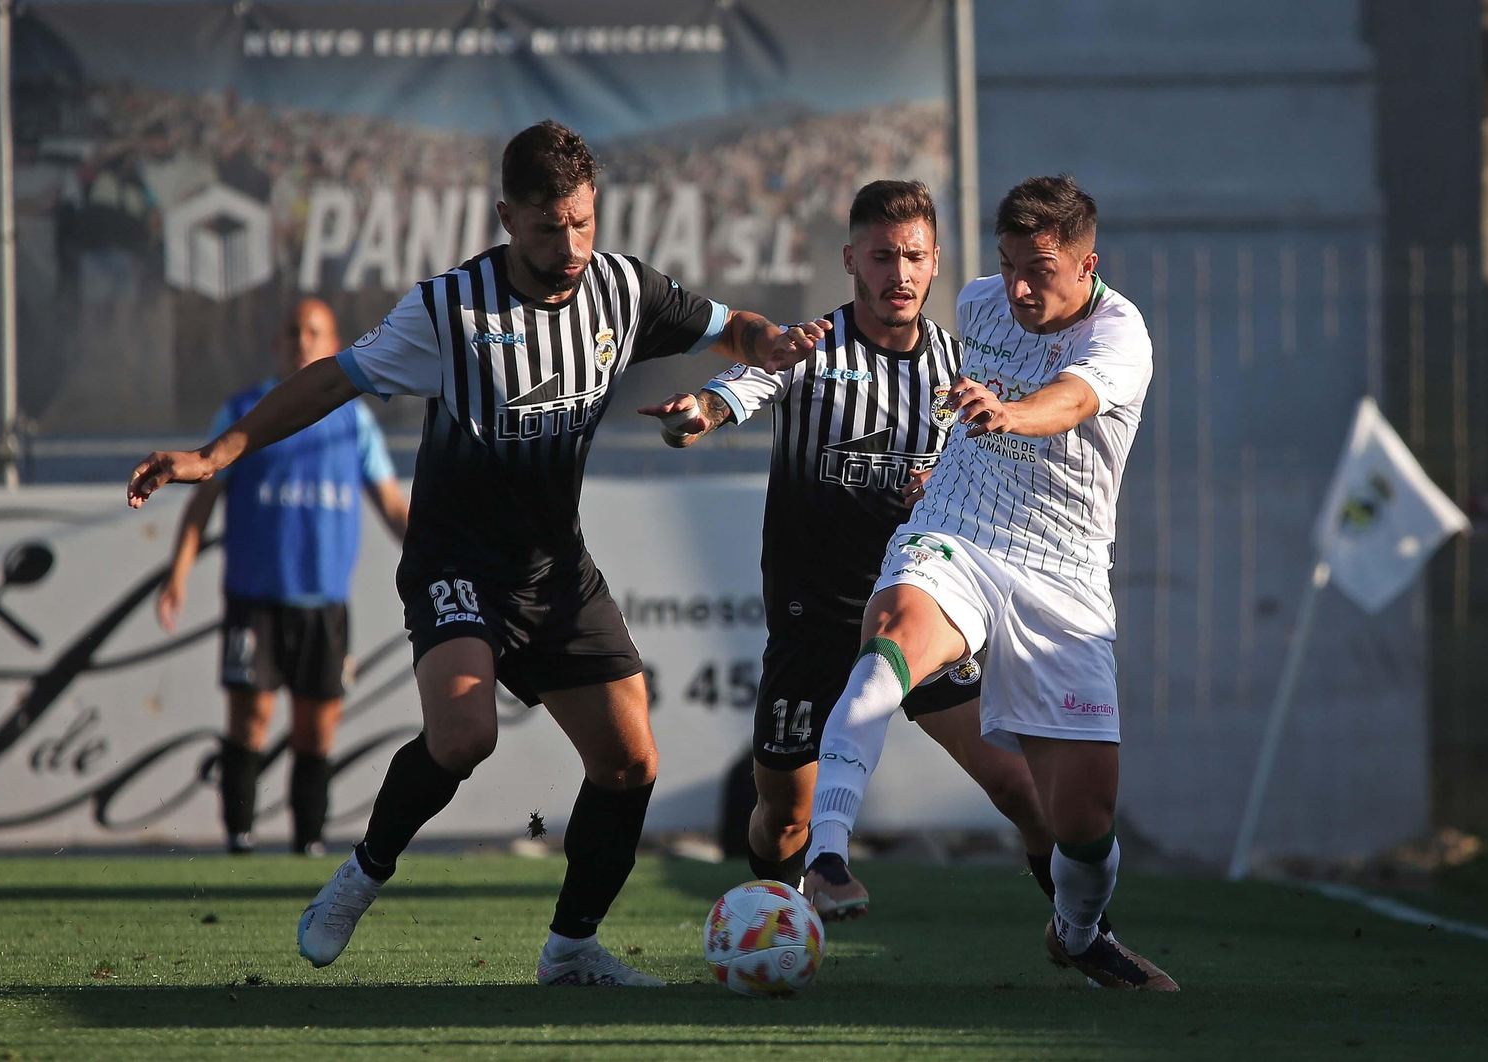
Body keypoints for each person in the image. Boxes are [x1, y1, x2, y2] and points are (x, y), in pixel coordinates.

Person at [126, 120, 824, 988]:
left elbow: (734, 327)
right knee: (463, 736)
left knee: (629, 762)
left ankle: (571, 950)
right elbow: (331, 378)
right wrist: (218, 454)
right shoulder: (449, 310)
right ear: (505, 217)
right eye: (545, 228)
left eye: (580, 223)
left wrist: (773, 345)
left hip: (555, 570)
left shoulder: (621, 290)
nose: (568, 246)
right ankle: (361, 874)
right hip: (455, 562)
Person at [637, 180, 1111, 938]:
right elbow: (732, 392)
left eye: (915, 256)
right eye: (883, 256)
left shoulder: (962, 365)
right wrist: (692, 416)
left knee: (1018, 788)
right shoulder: (811, 350)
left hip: (920, 610)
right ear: (851, 259)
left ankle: (1079, 933)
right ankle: (775, 907)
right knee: (781, 822)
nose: (900, 273)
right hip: (815, 624)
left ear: (935, 263)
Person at [799, 175, 1178, 991]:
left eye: (1038, 269)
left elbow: (1069, 402)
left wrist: (1008, 413)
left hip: (1062, 578)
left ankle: (1077, 934)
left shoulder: (1121, 335)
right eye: (1007, 265)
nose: (1017, 288)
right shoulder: (978, 303)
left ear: (1087, 265)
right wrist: (943, 462)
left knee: (1082, 822)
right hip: (958, 538)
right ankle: (826, 854)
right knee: (891, 636)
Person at [156, 298, 408, 856]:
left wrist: (442, 555)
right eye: (292, 332)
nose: (301, 342)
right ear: (277, 344)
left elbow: (391, 504)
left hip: (324, 603)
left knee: (316, 729)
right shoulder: (245, 412)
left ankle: (308, 844)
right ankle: (238, 837)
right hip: (256, 598)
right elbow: (202, 502)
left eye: (313, 332)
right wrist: (177, 573)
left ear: (334, 342)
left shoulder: (354, 420)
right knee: (250, 718)